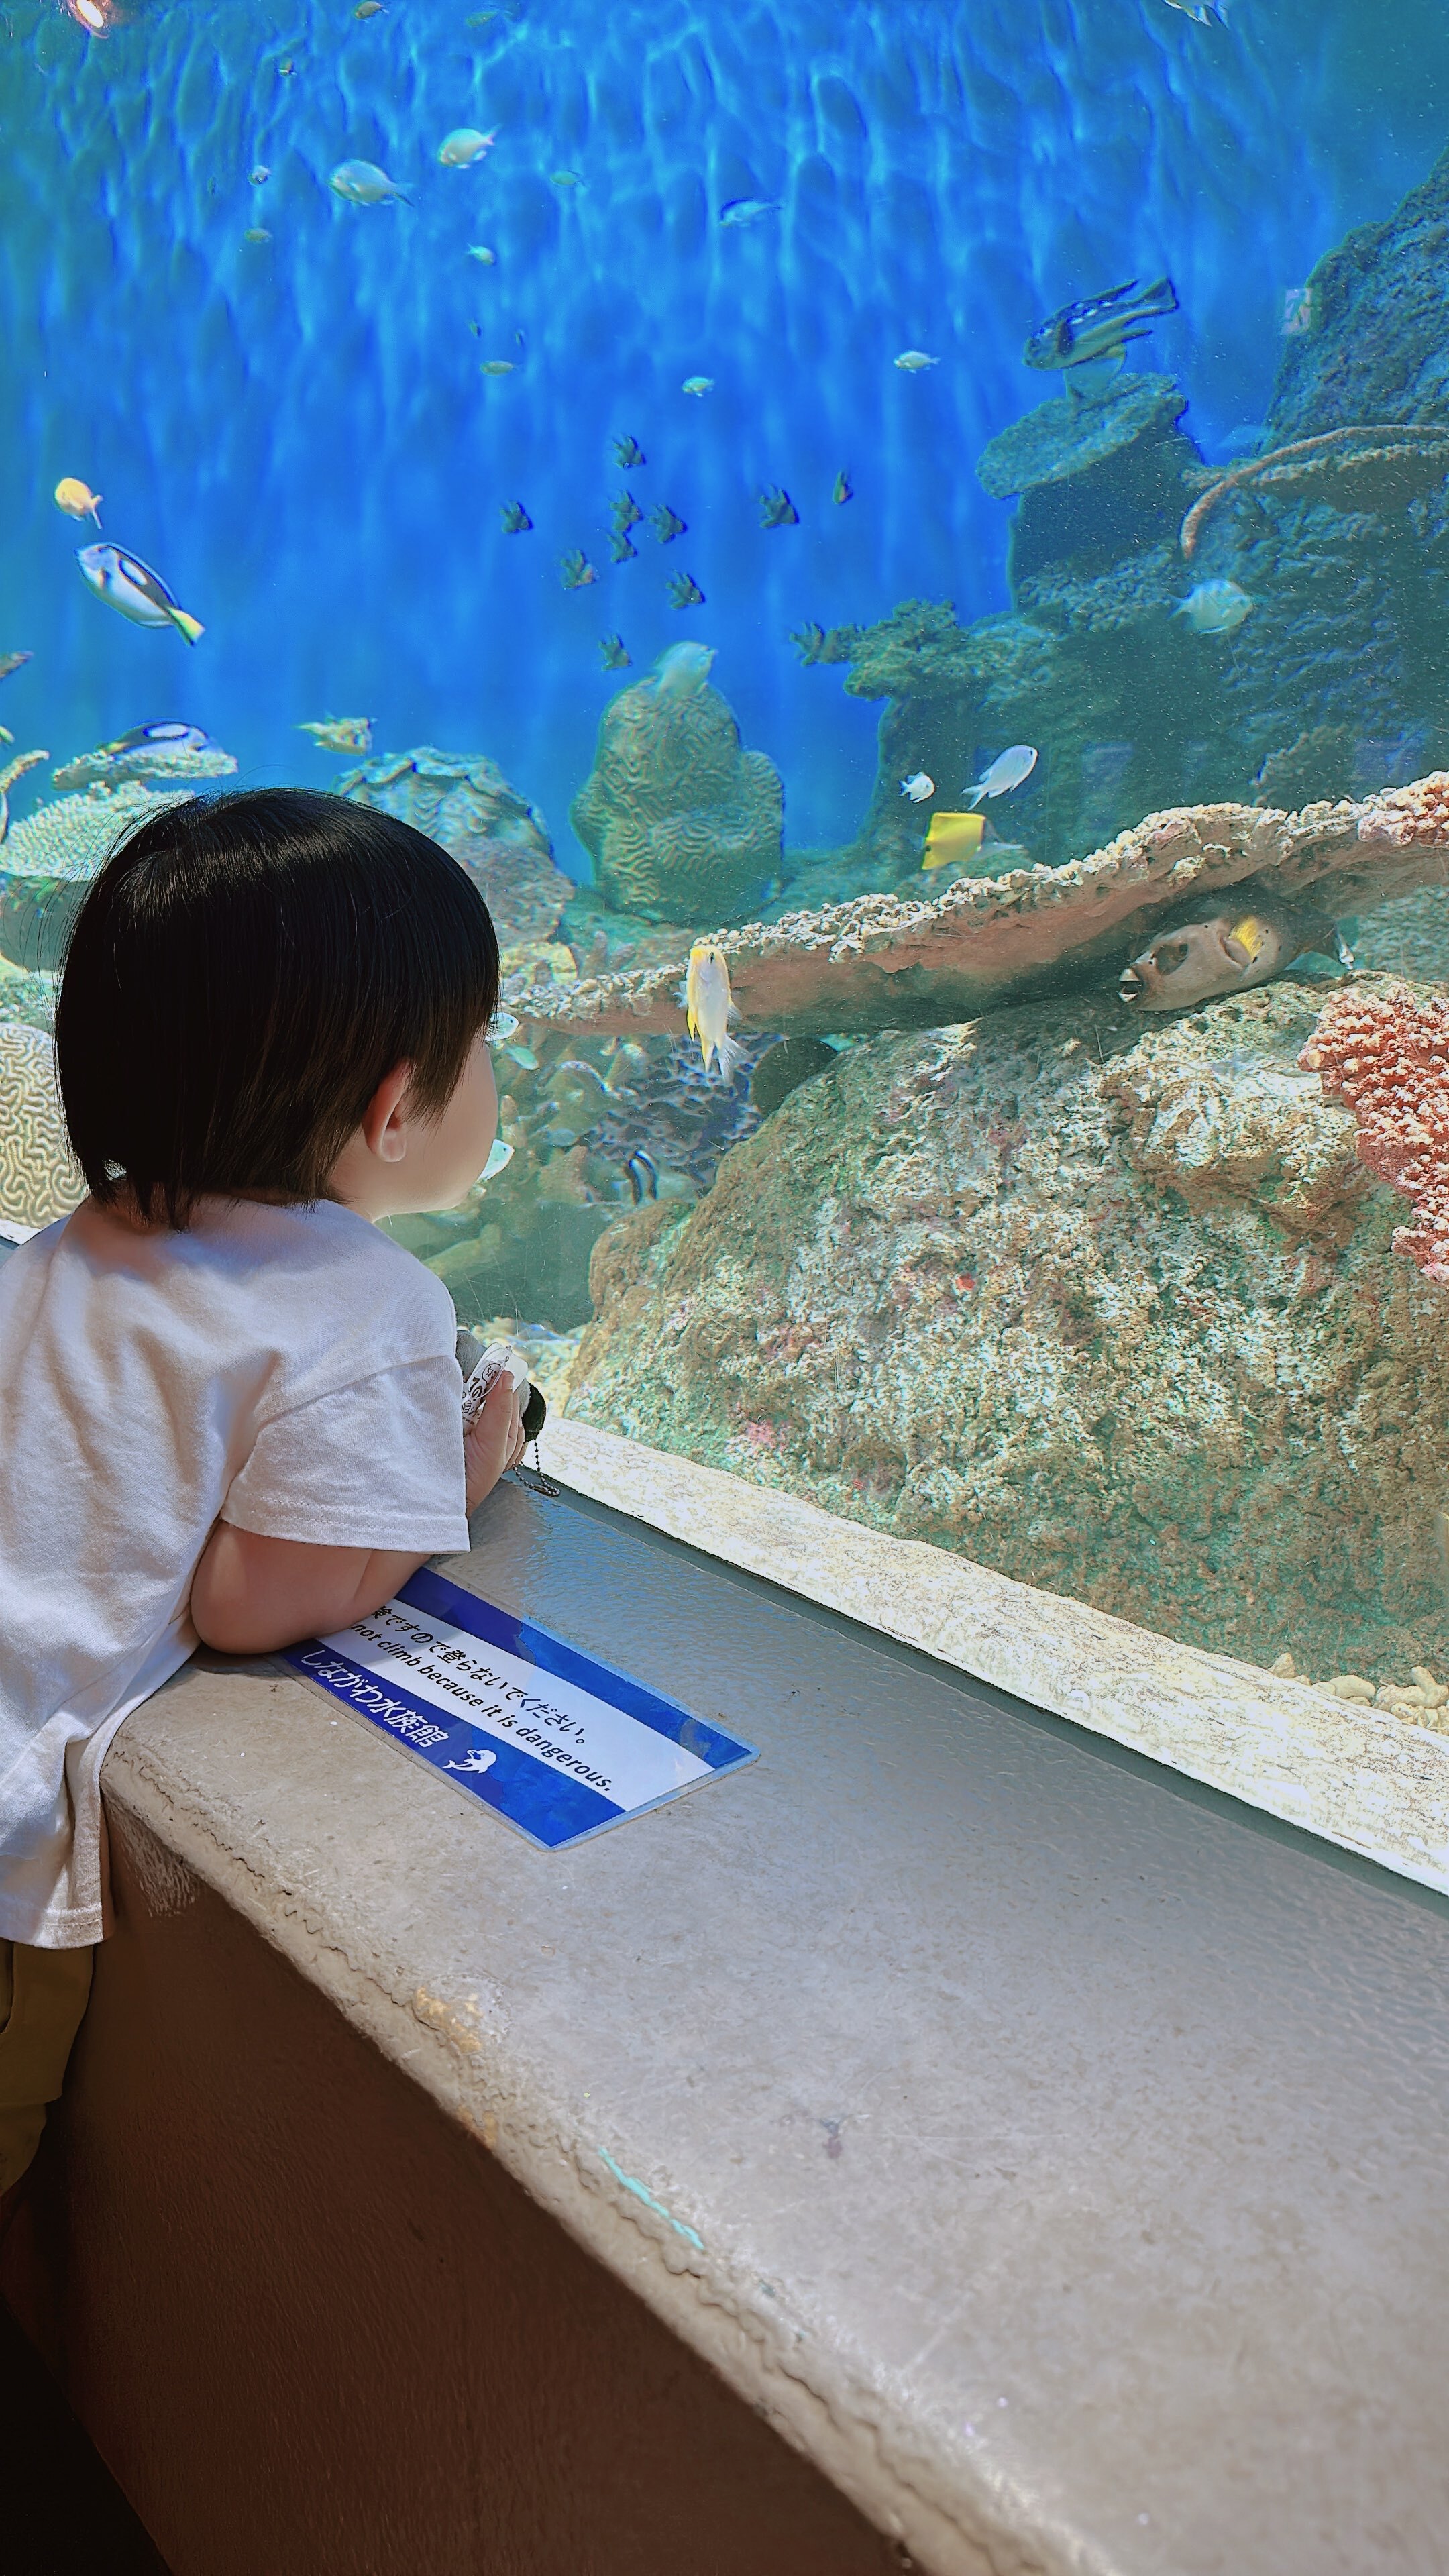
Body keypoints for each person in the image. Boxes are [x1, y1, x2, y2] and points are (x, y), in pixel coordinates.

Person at [0, 788, 527, 2217]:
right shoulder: (369, 1301)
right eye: (488, 1044)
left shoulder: (67, 1245)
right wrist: (453, 1480)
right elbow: (249, 1602)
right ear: (395, 1106)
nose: (498, 1074)